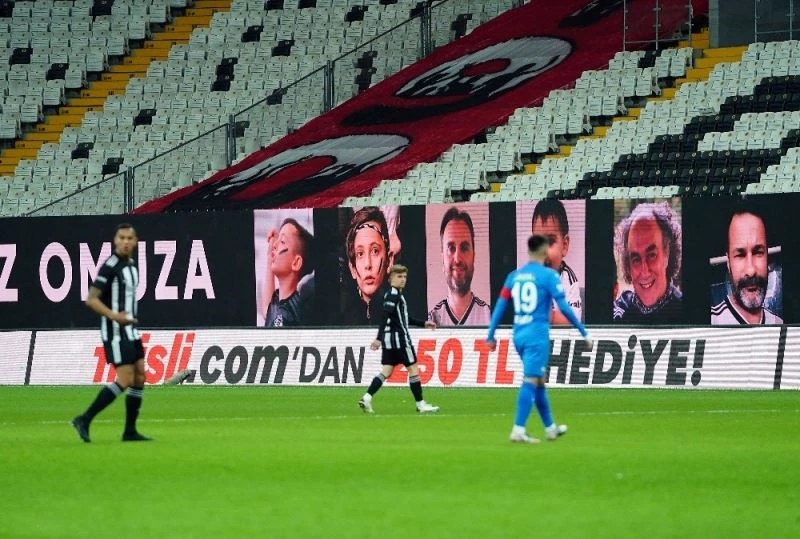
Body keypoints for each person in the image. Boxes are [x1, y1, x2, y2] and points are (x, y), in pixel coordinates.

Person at [486, 235, 591, 444]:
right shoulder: (549, 276)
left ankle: (550, 428)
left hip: (519, 335)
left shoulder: (514, 276)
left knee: (539, 381)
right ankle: (518, 428)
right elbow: (564, 307)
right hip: (537, 335)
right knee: (531, 380)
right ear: (544, 251)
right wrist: (582, 330)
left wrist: (491, 334)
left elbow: (499, 307)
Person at [71, 223, 151, 443]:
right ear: (115, 241)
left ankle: (130, 431)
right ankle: (84, 419)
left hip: (131, 330)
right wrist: (115, 316)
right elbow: (91, 299)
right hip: (115, 332)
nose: (125, 242)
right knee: (125, 379)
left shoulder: (132, 266)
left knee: (140, 377)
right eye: (121, 238)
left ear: (135, 242)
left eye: (129, 238)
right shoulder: (110, 266)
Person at [358, 264, 440, 414]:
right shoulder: (394, 295)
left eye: (404, 277)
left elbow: (403, 318)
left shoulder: (391, 294)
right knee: (413, 369)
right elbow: (385, 315)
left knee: (386, 371)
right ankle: (420, 404)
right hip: (400, 340)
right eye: (399, 276)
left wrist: (423, 323)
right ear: (390, 279)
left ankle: (367, 397)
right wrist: (378, 338)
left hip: (390, 342)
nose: (402, 279)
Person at [612, 202, 682, 323]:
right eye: (636, 259)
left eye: (651, 255)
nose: (644, 272)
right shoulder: (619, 311)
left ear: (667, 254)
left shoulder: (683, 310)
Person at [711, 209, 783, 324]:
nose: (750, 270)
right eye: (740, 255)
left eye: (758, 252)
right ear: (729, 263)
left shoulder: (780, 324)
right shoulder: (712, 323)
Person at [428, 207, 491, 326]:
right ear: (442, 258)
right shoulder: (431, 320)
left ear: (474, 255)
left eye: (464, 248)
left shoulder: (490, 317)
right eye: (451, 248)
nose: (457, 259)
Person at [531, 200, 582, 324]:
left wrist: (551, 316)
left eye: (549, 242)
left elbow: (574, 322)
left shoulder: (569, 281)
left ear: (564, 246)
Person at [343, 207, 392, 325]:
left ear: (388, 261)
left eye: (375, 251)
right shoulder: (341, 324)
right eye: (360, 254)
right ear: (353, 269)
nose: (368, 264)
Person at [262, 218, 314, 327]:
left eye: (282, 242)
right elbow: (267, 309)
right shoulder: (277, 301)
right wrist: (271, 250)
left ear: (295, 263)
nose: (275, 245)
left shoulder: (298, 310)